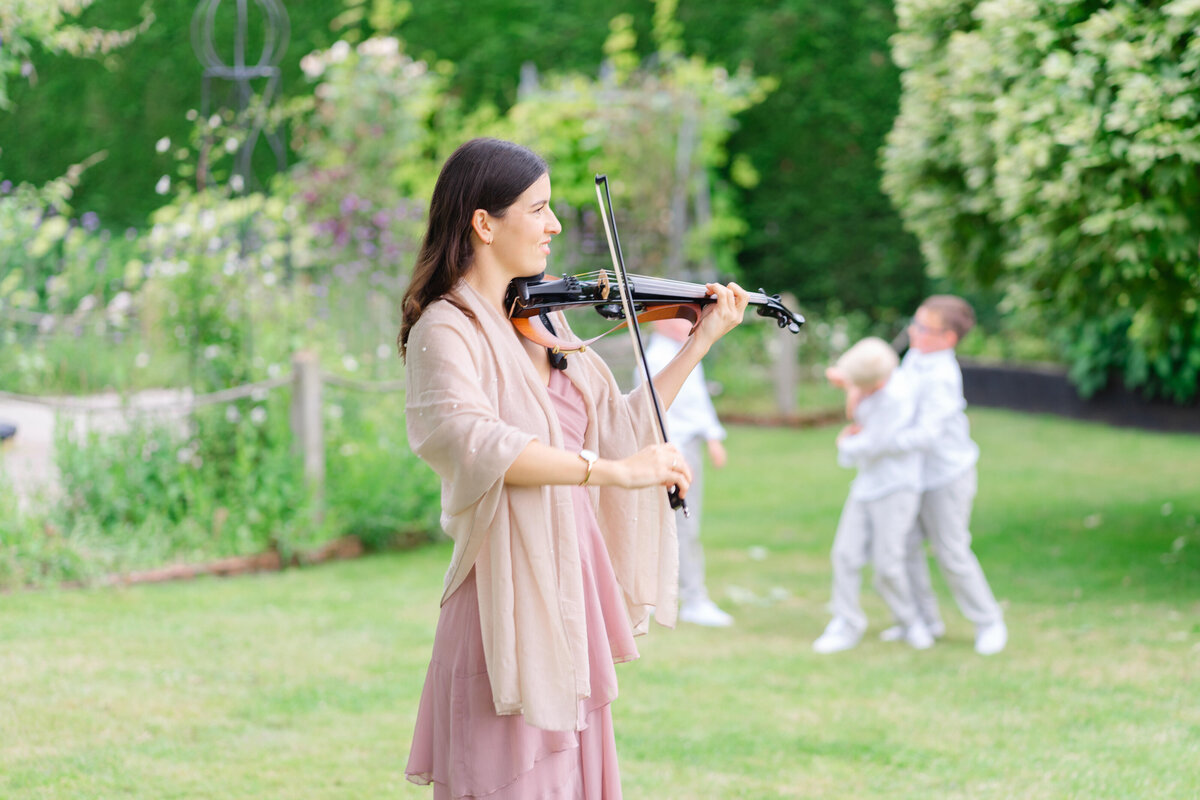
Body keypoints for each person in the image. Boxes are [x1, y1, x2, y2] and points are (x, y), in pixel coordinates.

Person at [398, 137, 749, 799]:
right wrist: (614, 475)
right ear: (484, 222)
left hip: (570, 574)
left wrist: (699, 340)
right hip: (505, 578)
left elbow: (616, 429)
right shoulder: (445, 331)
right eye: (539, 209)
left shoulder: (543, 317)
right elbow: (475, 441)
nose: (555, 225)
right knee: (512, 776)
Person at [843, 296, 1007, 656]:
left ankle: (989, 620)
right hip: (911, 475)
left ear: (948, 338)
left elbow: (925, 435)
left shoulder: (943, 376)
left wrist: (873, 443)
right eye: (914, 323)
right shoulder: (918, 355)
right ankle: (925, 621)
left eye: (923, 328)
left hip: (945, 475)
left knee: (951, 551)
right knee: (906, 549)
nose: (913, 332)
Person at [812, 337, 933, 653]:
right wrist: (849, 386)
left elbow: (873, 445)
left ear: (877, 384)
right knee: (844, 554)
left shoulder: (895, 399)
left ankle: (912, 623)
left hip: (896, 487)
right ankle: (846, 622)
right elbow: (848, 380)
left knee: (888, 564)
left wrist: (844, 444)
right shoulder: (873, 380)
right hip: (866, 484)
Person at [641, 317, 733, 628]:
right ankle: (692, 598)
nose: (686, 324)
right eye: (677, 318)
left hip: (689, 443)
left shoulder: (683, 350)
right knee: (682, 524)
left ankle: (677, 594)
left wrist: (712, 436)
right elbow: (657, 411)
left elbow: (697, 402)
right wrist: (675, 454)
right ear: (660, 323)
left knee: (680, 525)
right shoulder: (656, 357)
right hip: (675, 447)